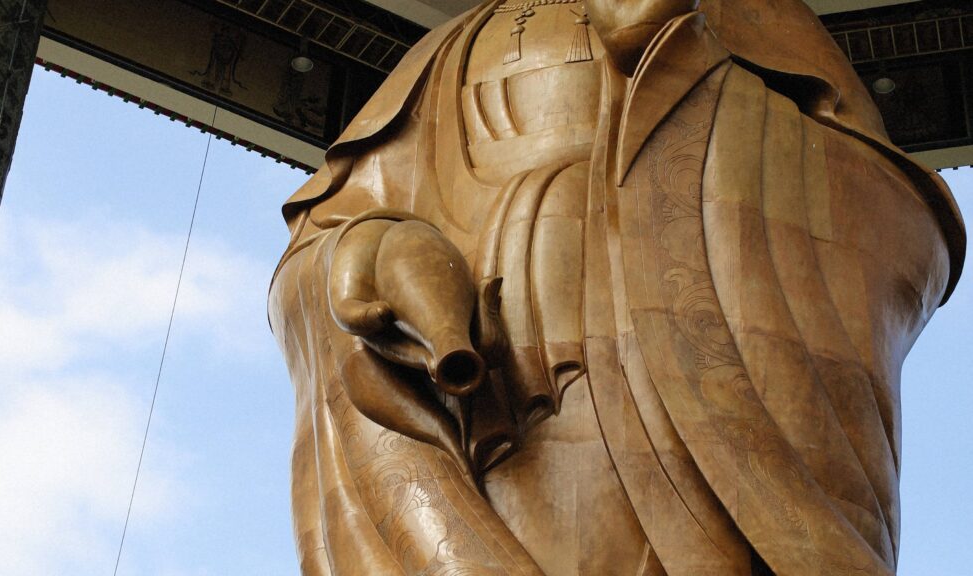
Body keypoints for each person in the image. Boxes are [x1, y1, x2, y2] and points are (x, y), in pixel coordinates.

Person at [268, 1, 966, 574]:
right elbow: (325, 232)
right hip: (483, 387)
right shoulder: (444, 53)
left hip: (669, 368)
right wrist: (360, 257)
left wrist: (690, 101)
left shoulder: (750, 18)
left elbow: (894, 225)